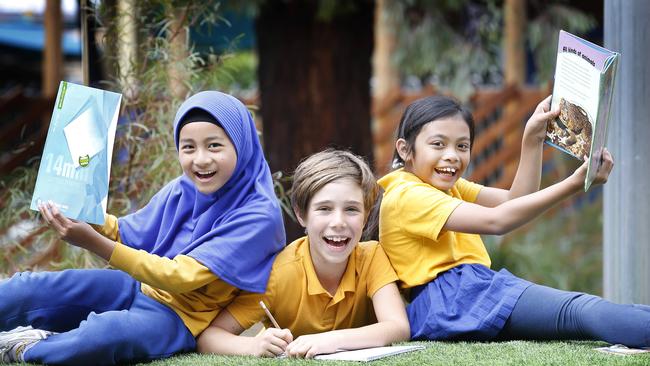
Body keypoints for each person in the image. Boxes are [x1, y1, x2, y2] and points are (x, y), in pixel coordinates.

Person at [0, 91, 286, 365]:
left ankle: (27, 347)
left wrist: (92, 242)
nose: (200, 159)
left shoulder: (259, 215)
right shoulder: (185, 188)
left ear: (242, 144)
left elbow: (180, 277)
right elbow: (128, 233)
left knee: (101, 337)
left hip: (179, 317)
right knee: (29, 289)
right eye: (188, 147)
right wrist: (85, 212)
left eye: (214, 145)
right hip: (138, 285)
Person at [378, 94, 650, 347]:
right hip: (455, 299)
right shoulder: (407, 194)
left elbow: (514, 200)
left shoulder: (445, 187)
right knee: (579, 311)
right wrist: (576, 183)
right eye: (438, 144)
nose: (452, 155)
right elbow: (497, 222)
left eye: (462, 146)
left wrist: (531, 140)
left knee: (594, 310)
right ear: (405, 149)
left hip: (462, 295)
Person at [197, 149, 410, 358]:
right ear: (301, 215)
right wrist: (253, 345)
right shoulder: (277, 275)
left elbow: (398, 327)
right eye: (324, 209)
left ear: (365, 216)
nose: (338, 222)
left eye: (351, 209)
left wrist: (331, 340)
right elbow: (210, 337)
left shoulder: (372, 257)